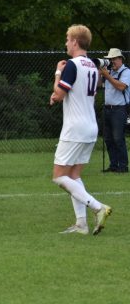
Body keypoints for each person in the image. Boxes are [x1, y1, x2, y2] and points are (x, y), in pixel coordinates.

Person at [50, 24, 112, 235]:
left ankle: (98, 207)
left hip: (75, 128)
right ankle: (81, 224)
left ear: (75, 42)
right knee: (74, 175)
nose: (66, 43)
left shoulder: (72, 65)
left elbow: (58, 95)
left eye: (68, 39)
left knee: (59, 176)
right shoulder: (92, 66)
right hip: (90, 127)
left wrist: (58, 73)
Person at [99, 48, 130, 173]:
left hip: (119, 109)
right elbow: (98, 85)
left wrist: (107, 76)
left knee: (118, 138)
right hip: (107, 109)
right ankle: (113, 165)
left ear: (120, 59)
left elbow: (121, 86)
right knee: (108, 139)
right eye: (110, 59)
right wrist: (100, 74)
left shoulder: (126, 71)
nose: (112, 61)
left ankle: (123, 166)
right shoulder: (109, 72)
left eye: (114, 59)